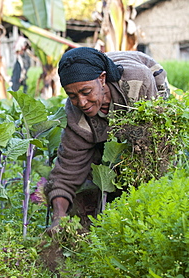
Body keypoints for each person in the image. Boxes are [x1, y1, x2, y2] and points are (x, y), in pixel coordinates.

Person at [44, 47, 169, 234]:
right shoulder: (75, 113)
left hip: (150, 85)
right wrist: (58, 217)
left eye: (86, 92)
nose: (82, 102)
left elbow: (151, 150)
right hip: (107, 119)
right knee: (94, 166)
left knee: (144, 157)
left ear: (102, 79)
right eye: (72, 96)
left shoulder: (137, 83)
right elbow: (68, 168)